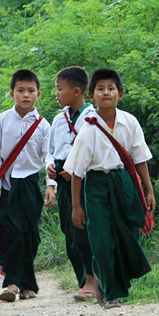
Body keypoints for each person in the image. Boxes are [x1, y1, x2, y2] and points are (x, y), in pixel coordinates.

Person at [63, 68, 156, 309]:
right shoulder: (89, 128)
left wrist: (148, 190)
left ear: (120, 94)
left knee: (126, 234)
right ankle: (111, 292)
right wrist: (76, 206)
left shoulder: (130, 122)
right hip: (96, 186)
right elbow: (76, 172)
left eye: (111, 88)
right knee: (102, 239)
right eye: (101, 89)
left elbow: (139, 159)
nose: (106, 93)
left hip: (124, 182)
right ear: (92, 95)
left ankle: (110, 283)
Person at [0, 69, 51, 302]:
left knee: (30, 235)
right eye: (21, 91)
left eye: (31, 91)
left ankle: (27, 285)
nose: (26, 95)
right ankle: (12, 284)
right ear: (12, 93)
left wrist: (51, 185)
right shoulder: (2, 120)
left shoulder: (43, 125)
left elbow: (48, 158)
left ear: (39, 94)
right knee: (11, 233)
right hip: (6, 185)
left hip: (31, 184)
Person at [44, 66, 98, 301]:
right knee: (69, 232)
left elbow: (97, 153)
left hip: (86, 183)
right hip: (64, 182)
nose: (56, 94)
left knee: (84, 231)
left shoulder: (93, 118)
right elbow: (52, 151)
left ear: (76, 91)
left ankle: (91, 279)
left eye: (60, 89)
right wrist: (51, 168)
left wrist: (75, 169)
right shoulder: (58, 119)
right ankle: (82, 280)